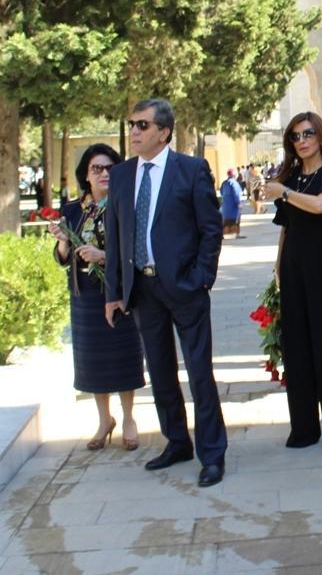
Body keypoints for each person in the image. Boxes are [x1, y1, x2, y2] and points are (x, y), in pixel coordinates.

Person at [103, 99, 227, 488]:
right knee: (160, 371)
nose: (134, 131)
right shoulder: (122, 175)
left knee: (199, 372)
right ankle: (177, 442)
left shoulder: (190, 170)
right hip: (142, 289)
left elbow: (211, 228)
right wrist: (114, 291)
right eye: (132, 124)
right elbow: (116, 236)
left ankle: (212, 454)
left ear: (164, 132)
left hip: (185, 287)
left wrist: (202, 277)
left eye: (142, 125)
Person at [264, 112, 322, 451]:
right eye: (294, 137)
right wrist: (278, 263)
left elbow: (320, 206)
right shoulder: (290, 175)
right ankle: (303, 427)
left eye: (307, 134)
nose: (301, 141)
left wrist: (284, 192)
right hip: (293, 263)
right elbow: (286, 226)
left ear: (319, 136)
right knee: (298, 343)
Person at [49, 144, 145, 452]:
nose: (104, 174)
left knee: (124, 354)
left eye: (109, 168)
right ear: (86, 176)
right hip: (86, 295)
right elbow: (63, 258)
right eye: (96, 169)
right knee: (93, 361)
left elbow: (137, 250)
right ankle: (105, 419)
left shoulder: (126, 204)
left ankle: (129, 417)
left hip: (119, 290)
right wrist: (64, 243)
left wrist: (104, 255)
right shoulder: (73, 210)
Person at [220, 168, 243, 239]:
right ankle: (237, 234)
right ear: (235, 175)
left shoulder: (224, 183)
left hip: (225, 205)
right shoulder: (234, 183)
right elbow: (237, 194)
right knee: (236, 220)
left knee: (225, 221)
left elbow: (221, 192)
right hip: (233, 206)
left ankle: (222, 235)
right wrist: (239, 202)